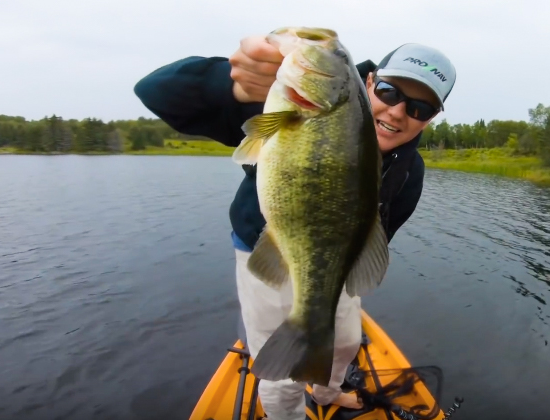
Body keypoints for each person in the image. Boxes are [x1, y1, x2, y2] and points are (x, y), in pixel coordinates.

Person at [133, 32, 456, 420]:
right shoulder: (287, 110)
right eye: (389, 91)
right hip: (264, 247)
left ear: (432, 117)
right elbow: (155, 91)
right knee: (280, 374)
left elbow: (379, 237)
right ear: (368, 82)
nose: (398, 112)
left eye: (420, 108)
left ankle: (325, 393)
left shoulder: (410, 172)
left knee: (345, 341)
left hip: (335, 263)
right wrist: (234, 87)